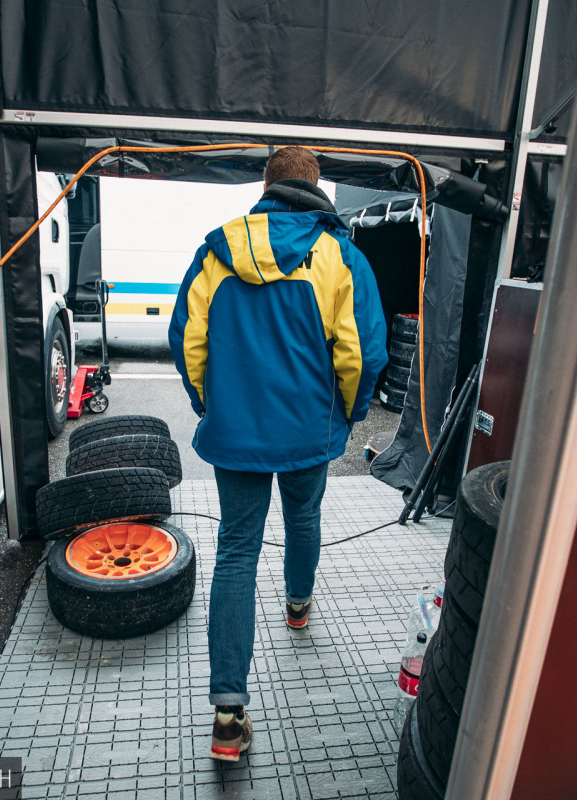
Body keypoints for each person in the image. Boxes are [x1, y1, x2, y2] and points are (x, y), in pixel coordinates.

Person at [168, 146, 388, 761]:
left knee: (236, 550)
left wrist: (209, 401)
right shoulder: (338, 255)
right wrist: (350, 409)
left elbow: (187, 338)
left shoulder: (217, 249)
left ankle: (229, 716)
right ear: (315, 187)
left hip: (236, 430)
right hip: (304, 429)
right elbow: (361, 353)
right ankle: (297, 607)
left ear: (267, 185)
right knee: (304, 518)